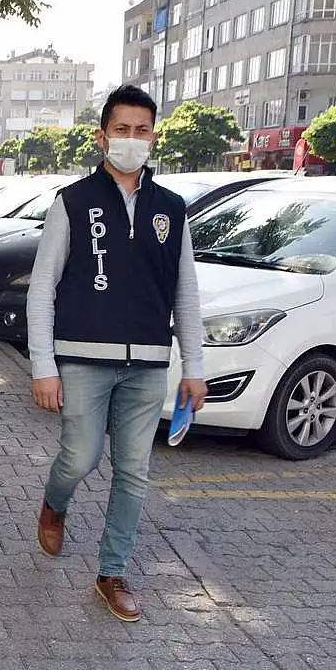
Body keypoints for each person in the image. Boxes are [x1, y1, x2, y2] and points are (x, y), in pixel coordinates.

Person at [25, 84, 207, 622]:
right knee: (79, 458)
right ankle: (55, 503)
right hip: (81, 358)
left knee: (134, 471)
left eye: (141, 130)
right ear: (102, 136)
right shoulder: (73, 201)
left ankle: (112, 572)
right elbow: (42, 287)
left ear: (154, 137)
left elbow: (186, 292)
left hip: (147, 363)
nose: (132, 139)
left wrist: (194, 368)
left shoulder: (171, 209)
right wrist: (43, 367)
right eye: (121, 129)